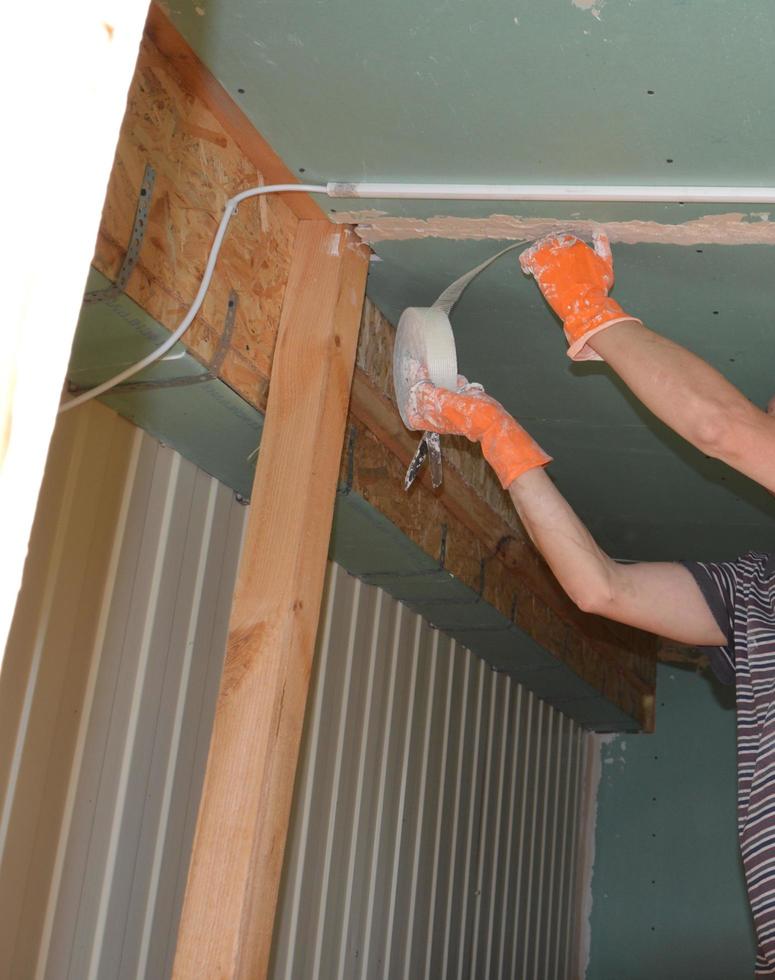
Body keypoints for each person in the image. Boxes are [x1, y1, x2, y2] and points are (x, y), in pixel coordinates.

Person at [406, 232, 775, 977]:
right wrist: (494, 433)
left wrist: (592, 315)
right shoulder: (757, 594)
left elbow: (722, 429)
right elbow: (599, 589)